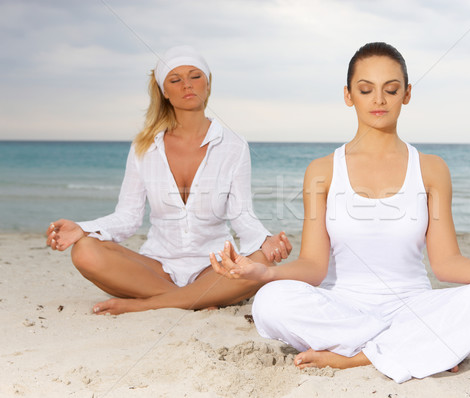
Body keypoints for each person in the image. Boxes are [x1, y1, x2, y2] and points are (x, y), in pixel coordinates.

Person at [209, 42, 470, 383]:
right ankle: (416, 348)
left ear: (407, 93)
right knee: (271, 302)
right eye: (365, 89)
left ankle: (359, 357)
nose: (379, 99)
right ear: (348, 95)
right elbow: (313, 267)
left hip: (413, 305)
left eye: (391, 88)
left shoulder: (431, 169)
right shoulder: (322, 171)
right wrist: (265, 272)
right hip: (343, 309)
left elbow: (447, 264)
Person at [46, 45, 291, 316]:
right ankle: (194, 299)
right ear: (164, 91)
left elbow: (241, 214)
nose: (187, 84)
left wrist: (264, 239)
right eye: (175, 80)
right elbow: (128, 216)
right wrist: (82, 228)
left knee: (263, 259)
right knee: (84, 251)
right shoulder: (145, 146)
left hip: (214, 268)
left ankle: (150, 303)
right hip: (157, 268)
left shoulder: (233, 145)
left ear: (208, 84)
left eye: (195, 76)